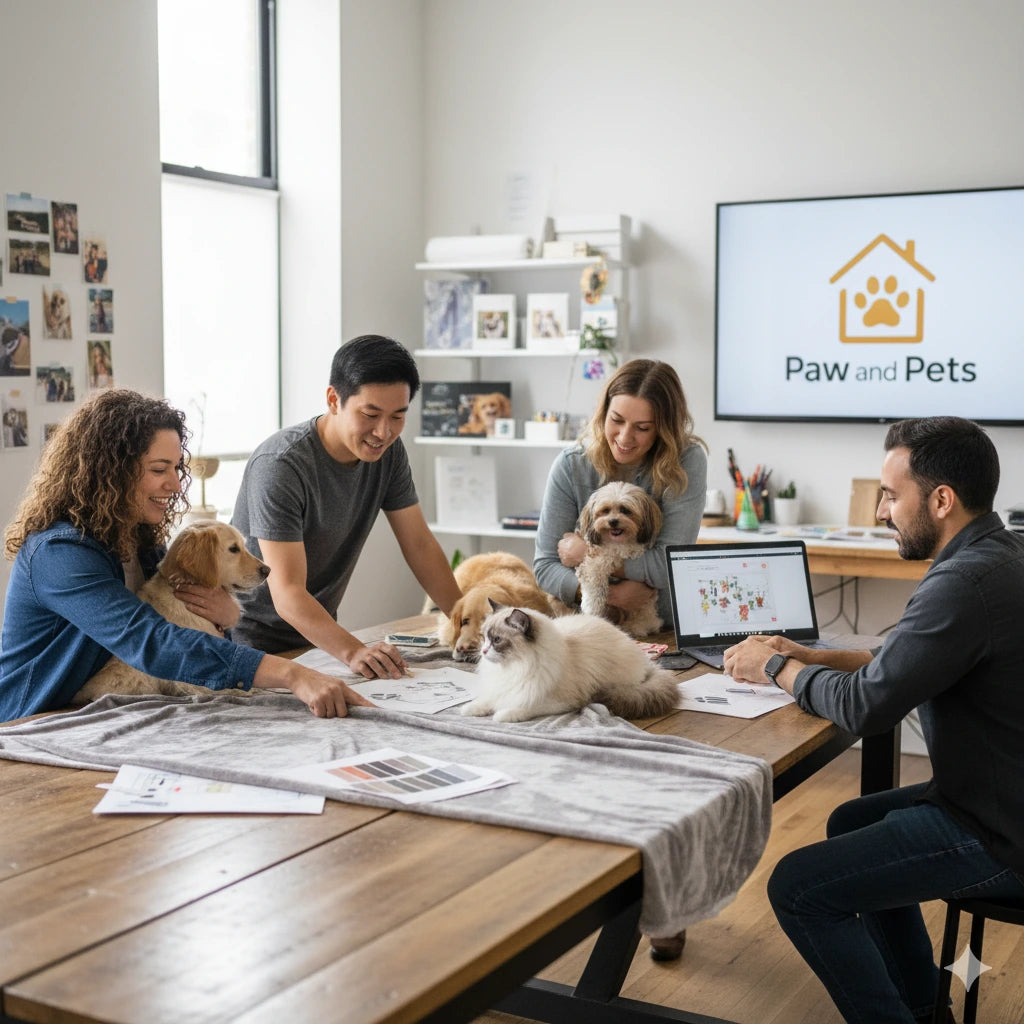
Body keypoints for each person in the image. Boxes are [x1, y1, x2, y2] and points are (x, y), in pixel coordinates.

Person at [723, 416, 1024, 1024]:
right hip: (998, 796)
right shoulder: (998, 553)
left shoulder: (963, 583)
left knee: (797, 888)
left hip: (1001, 834)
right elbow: (905, 660)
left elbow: (866, 706)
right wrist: (811, 657)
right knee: (852, 818)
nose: (882, 511)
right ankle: (921, 1007)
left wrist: (776, 666)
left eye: (891, 495)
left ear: (941, 500)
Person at [0, 389, 372, 723]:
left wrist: (226, 618)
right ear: (110, 471)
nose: (176, 484)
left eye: (176, 468)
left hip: (108, 709)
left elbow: (182, 621)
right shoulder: (60, 553)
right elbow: (151, 640)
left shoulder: (139, 541)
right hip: (34, 720)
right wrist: (293, 674)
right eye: (159, 469)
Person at [231, 334, 462, 680]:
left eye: (398, 417)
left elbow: (420, 546)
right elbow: (287, 591)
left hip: (317, 642)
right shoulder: (281, 465)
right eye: (370, 414)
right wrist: (353, 650)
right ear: (333, 399)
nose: (383, 432)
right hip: (247, 643)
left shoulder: (388, 455)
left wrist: (468, 624)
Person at [534, 358, 708, 628]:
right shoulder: (571, 465)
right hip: (586, 623)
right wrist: (606, 595)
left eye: (642, 428)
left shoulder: (685, 461)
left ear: (663, 430)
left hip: (660, 626)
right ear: (603, 413)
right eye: (616, 420)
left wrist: (585, 556)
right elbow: (545, 567)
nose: (625, 438)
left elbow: (669, 565)